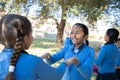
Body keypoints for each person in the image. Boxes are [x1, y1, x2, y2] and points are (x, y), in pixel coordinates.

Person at [0, 14, 63, 80]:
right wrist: (65, 63)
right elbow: (56, 76)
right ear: (25, 37)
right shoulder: (34, 62)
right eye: (31, 32)